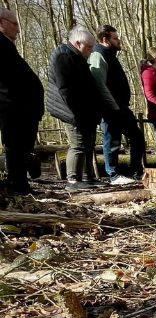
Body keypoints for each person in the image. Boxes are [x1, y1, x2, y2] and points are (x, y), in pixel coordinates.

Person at [47, 25, 103, 191]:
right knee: (78, 144)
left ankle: (87, 177)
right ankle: (72, 180)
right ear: (78, 44)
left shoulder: (76, 56)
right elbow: (65, 89)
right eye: (89, 47)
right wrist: (77, 112)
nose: (91, 51)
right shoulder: (64, 56)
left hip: (84, 110)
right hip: (72, 111)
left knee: (88, 144)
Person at [89, 25, 145, 185]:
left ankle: (136, 172)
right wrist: (111, 106)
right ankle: (113, 174)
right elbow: (99, 84)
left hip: (121, 107)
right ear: (105, 40)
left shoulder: (110, 55)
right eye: (115, 38)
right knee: (112, 141)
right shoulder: (98, 55)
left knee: (137, 137)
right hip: (110, 108)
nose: (118, 40)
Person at [0, 7, 44, 194]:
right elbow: (10, 80)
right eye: (15, 24)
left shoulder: (6, 46)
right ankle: (17, 186)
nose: (18, 29)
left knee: (20, 147)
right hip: (12, 108)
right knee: (16, 147)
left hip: (20, 109)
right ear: (2, 22)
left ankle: (20, 184)